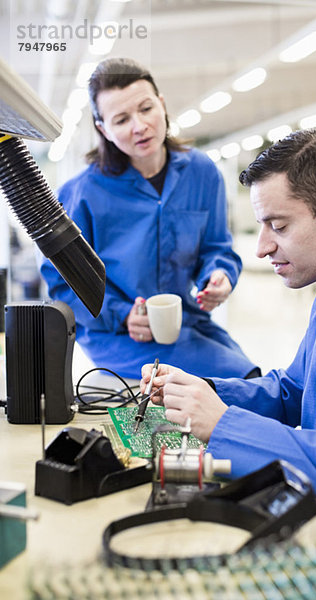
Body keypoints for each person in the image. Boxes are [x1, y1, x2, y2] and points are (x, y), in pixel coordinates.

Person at [141, 125, 316, 535]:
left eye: (278, 226)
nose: (261, 247)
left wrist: (223, 425)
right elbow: (294, 392)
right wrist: (204, 394)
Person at [40, 57, 259, 380]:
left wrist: (220, 276)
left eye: (146, 109)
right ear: (104, 129)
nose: (139, 126)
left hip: (185, 321)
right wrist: (124, 315)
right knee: (241, 380)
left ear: (162, 104)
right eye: (121, 119)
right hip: (116, 334)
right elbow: (62, 283)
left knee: (255, 380)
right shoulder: (81, 194)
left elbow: (217, 248)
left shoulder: (201, 173)